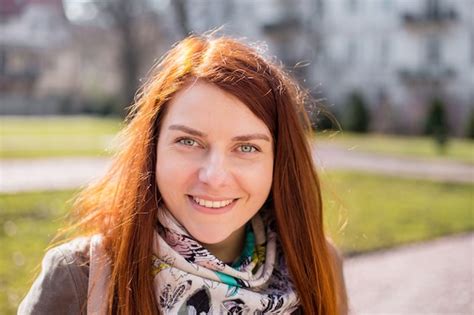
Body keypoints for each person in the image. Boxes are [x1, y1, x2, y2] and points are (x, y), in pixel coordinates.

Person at [18, 34, 348, 315]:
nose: (215, 176)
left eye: (246, 147)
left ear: (279, 161)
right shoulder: (81, 277)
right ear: (152, 149)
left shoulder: (317, 263)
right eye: (188, 141)